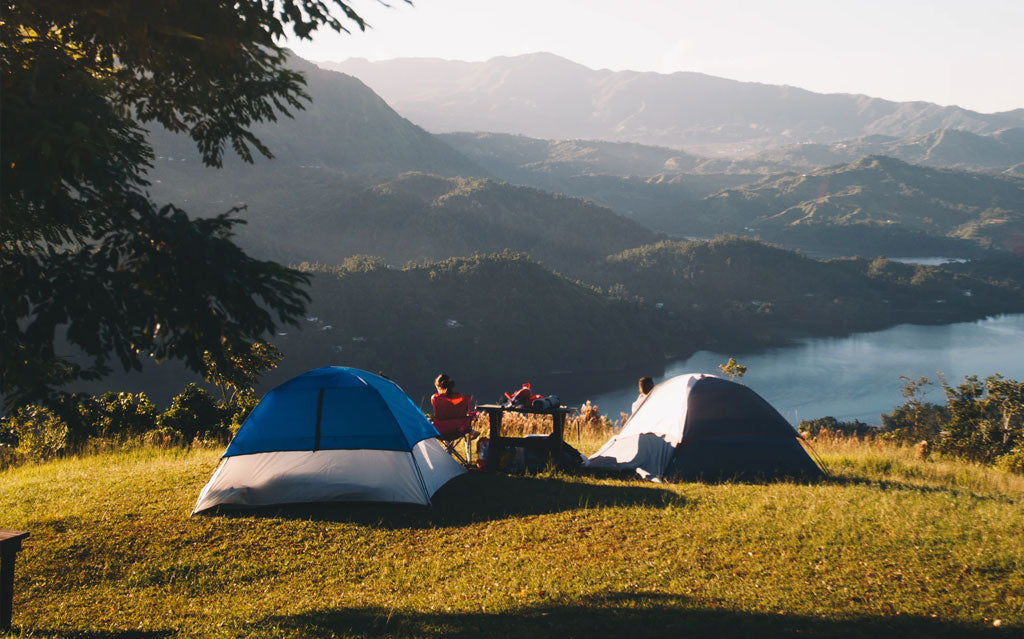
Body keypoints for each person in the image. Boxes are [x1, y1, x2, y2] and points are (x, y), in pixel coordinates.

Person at [430, 373, 477, 437]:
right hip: (460, 429)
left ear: (439, 387)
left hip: (441, 430)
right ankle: (450, 446)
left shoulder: (435, 398)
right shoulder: (461, 397)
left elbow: (437, 417)